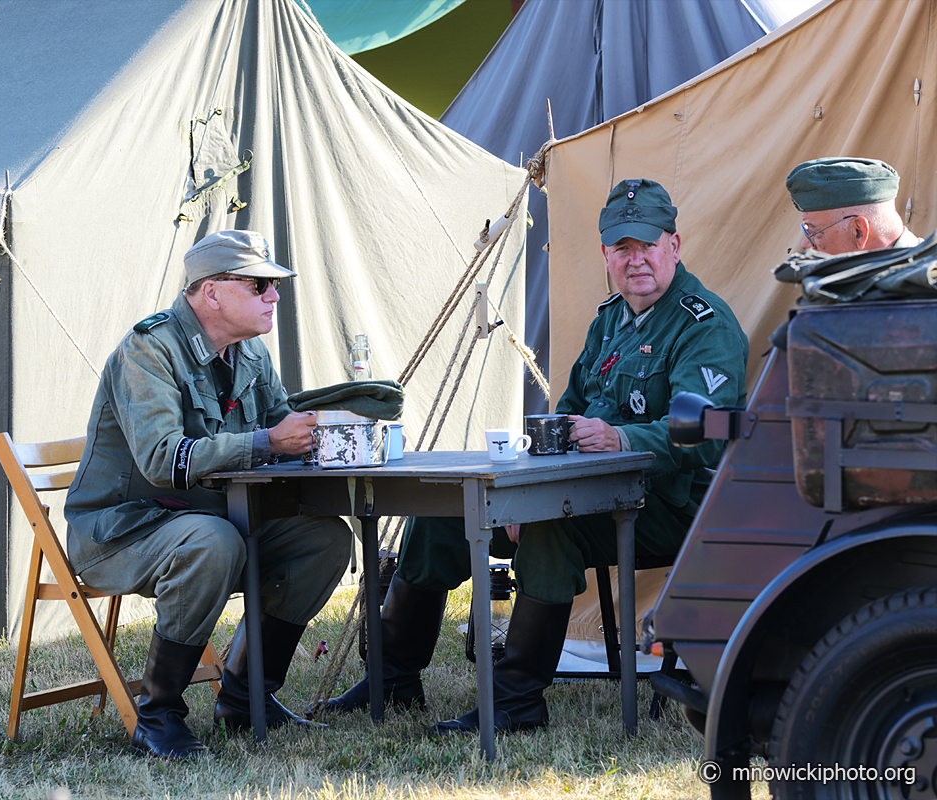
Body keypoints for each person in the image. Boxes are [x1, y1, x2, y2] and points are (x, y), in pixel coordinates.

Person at [325, 179, 749, 735]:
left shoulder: (704, 325)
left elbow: (708, 436)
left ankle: (517, 700)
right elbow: (564, 417)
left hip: (671, 507)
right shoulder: (610, 321)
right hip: (589, 495)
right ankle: (395, 680)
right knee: (441, 518)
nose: (636, 260)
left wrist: (623, 440)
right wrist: (527, 491)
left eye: (647, 245)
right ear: (605, 255)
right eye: (621, 248)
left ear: (674, 245)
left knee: (554, 531)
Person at [64, 229, 350, 759]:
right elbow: (162, 459)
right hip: (125, 528)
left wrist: (321, 430)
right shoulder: (148, 351)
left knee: (324, 540)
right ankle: (158, 712)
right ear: (211, 291)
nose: (275, 296)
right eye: (261, 285)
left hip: (212, 519)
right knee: (214, 543)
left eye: (275, 285)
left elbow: (277, 426)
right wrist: (266, 441)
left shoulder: (250, 354)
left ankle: (244, 699)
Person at [786, 156, 921, 255]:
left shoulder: (925, 288)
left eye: (814, 232)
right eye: (807, 230)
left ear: (859, 232)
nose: (805, 245)